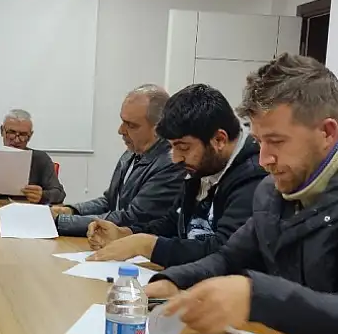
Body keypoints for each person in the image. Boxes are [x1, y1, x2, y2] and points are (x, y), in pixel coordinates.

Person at [145, 54, 338, 334]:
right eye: (259, 142)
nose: (264, 160)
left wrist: (257, 296)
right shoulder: (270, 193)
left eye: (277, 141)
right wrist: (173, 281)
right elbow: (228, 258)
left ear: (327, 132)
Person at [88, 84, 267, 267]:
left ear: (219, 140)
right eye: (172, 147)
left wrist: (146, 246)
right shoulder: (203, 163)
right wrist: (126, 234)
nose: (175, 159)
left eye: (183, 148)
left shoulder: (255, 177)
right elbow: (173, 222)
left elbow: (224, 252)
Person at [51, 85, 185, 236]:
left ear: (159, 128)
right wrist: (71, 210)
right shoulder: (131, 152)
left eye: (131, 125)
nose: (120, 130)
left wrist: (60, 222)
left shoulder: (171, 164)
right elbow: (109, 201)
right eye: (122, 121)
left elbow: (132, 218)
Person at [0, 109, 66, 204]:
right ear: (2, 131)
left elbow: (59, 194)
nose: (16, 140)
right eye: (11, 132)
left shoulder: (41, 159)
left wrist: (42, 196)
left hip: (27, 210)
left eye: (23, 135)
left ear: (30, 136)